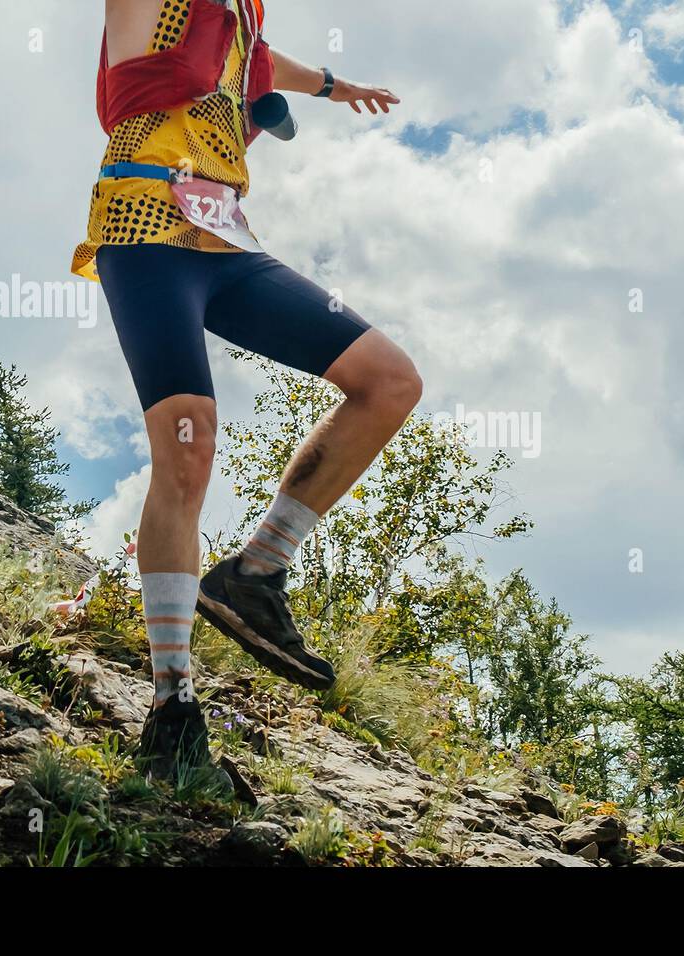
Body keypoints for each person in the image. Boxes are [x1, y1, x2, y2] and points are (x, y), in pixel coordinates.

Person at [72, 0, 421, 782]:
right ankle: (173, 710)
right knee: (189, 448)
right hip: (142, 225)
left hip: (225, 240)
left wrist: (335, 86)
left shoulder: (238, 24)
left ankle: (257, 572)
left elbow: (268, 63)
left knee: (389, 381)